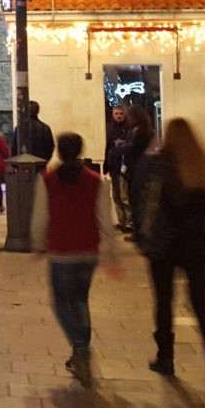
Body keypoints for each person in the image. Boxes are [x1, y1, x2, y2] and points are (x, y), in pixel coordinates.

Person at [139, 118, 205, 398]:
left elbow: (152, 202)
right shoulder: (202, 166)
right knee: (200, 304)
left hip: (166, 242)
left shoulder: (162, 164)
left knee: (164, 302)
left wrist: (144, 236)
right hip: (198, 241)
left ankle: (166, 357)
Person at [31, 132, 121, 387]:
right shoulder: (96, 181)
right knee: (80, 300)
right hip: (87, 250)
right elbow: (105, 219)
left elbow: (41, 216)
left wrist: (38, 243)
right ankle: (79, 352)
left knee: (61, 303)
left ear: (58, 151)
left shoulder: (47, 180)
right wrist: (111, 251)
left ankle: (80, 348)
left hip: (61, 250)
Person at [123, 116, 156, 244]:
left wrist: (121, 148)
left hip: (135, 171)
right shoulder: (149, 132)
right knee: (142, 203)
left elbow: (132, 150)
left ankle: (138, 233)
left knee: (136, 203)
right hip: (143, 170)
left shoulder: (138, 132)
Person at [104, 105, 132, 228]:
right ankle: (121, 221)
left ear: (124, 114)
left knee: (124, 195)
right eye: (116, 114)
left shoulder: (129, 128)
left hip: (124, 165)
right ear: (113, 114)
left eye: (121, 113)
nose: (119, 116)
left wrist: (124, 143)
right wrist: (106, 164)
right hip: (113, 164)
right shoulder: (109, 127)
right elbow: (107, 146)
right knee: (116, 195)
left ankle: (129, 222)